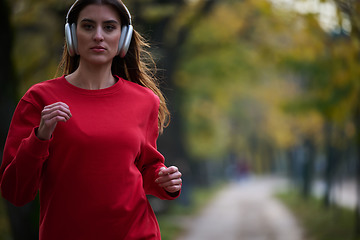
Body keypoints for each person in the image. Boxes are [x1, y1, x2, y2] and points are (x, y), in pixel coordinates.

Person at [0, 0, 182, 239]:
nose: (98, 36)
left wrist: (165, 179)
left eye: (109, 27)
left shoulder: (145, 101)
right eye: (88, 26)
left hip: (137, 233)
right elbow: (15, 192)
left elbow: (146, 168)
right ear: (72, 36)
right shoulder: (39, 99)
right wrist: (40, 136)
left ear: (123, 38)